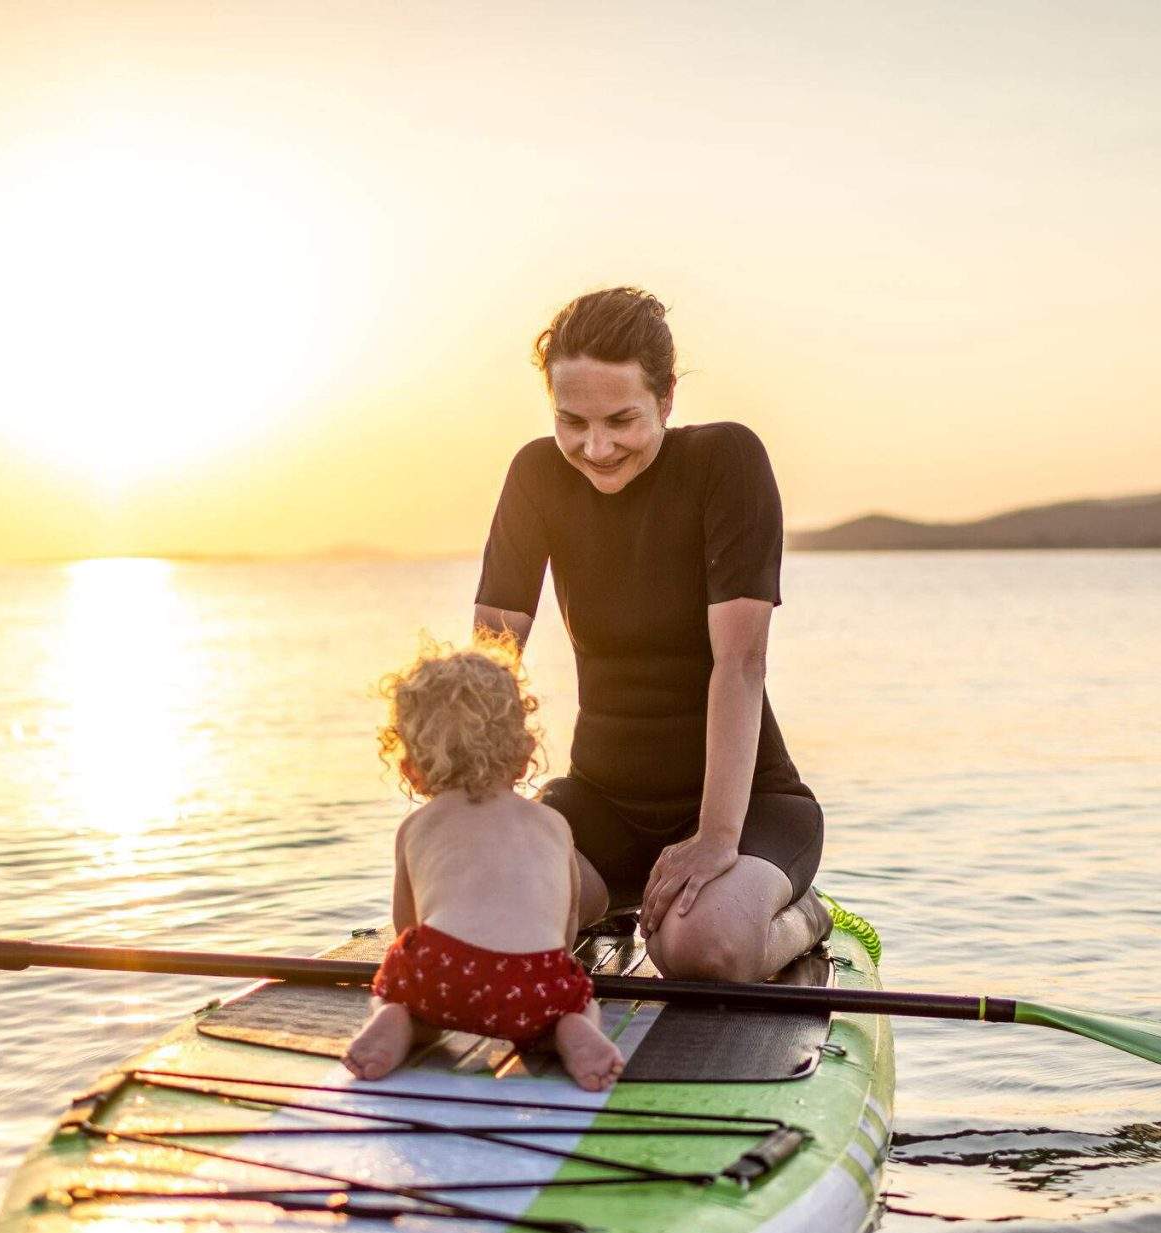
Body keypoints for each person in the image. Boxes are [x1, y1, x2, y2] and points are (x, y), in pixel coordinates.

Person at [473, 286, 829, 985]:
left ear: (666, 398)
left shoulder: (724, 462)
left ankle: (801, 914)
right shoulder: (537, 474)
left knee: (698, 950)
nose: (595, 447)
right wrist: (479, 804)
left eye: (621, 419)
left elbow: (741, 663)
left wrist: (715, 839)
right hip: (601, 806)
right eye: (571, 421)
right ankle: (609, 906)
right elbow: (489, 663)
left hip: (750, 806)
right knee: (494, 909)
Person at [342, 640, 626, 1091]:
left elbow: (406, 931)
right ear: (525, 751)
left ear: (411, 767)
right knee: (572, 1003)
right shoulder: (552, 824)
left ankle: (398, 1021)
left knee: (406, 994)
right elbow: (566, 929)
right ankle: (571, 1029)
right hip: (536, 978)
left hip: (442, 968)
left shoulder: (417, 827)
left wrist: (426, 982)